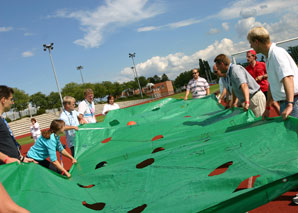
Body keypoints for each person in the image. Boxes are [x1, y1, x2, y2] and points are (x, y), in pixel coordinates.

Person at [247, 26, 298, 120]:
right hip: (288, 102)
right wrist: (267, 107)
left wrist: (290, 104)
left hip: (294, 102)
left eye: (251, 43)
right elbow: (272, 84)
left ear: (256, 42)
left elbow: (288, 77)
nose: (251, 46)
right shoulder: (269, 57)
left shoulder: (276, 54)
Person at [0, 85, 36, 165]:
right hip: (6, 170)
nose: (13, 102)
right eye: (11, 99)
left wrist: (21, 158)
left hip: (14, 165)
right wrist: (6, 159)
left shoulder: (2, 119)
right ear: (3, 100)